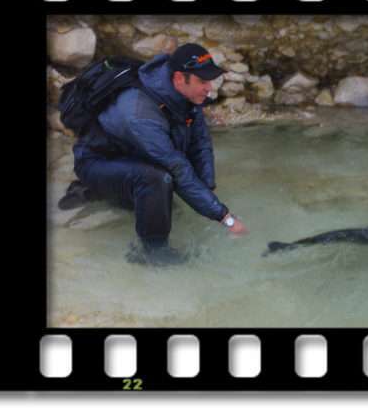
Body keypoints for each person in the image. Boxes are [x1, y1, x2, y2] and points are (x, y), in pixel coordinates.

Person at [65, 43, 248, 266]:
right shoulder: (140, 113)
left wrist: (207, 190)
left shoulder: (186, 96)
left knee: (167, 199)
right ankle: (153, 253)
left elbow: (200, 142)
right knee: (158, 180)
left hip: (131, 155)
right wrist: (225, 218)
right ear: (180, 78)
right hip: (96, 162)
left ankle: (105, 193)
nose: (209, 88)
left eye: (210, 80)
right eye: (203, 81)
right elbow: (176, 166)